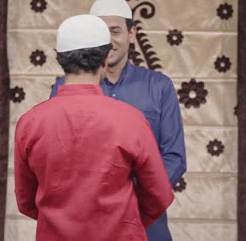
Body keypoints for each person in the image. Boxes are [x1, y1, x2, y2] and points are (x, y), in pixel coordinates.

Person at [14, 14, 174, 241]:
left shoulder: (29, 123)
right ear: (104, 59)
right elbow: (158, 196)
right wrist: (125, 221)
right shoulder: (131, 119)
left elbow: (26, 201)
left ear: (60, 59)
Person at [50, 0, 186, 241]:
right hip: (84, 222)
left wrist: (133, 197)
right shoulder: (63, 87)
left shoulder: (158, 87)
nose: (109, 40)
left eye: (115, 31)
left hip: (145, 221)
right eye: (102, 32)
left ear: (132, 33)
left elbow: (174, 157)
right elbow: (57, 155)